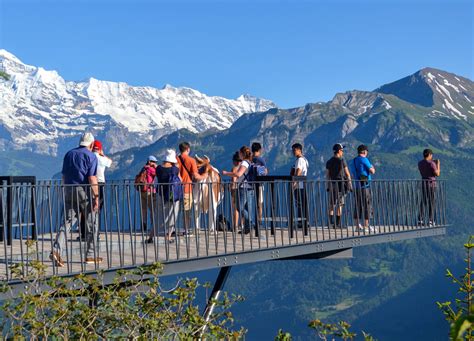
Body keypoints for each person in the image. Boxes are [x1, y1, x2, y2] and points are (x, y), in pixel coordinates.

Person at [50, 132, 101, 267]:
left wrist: (65, 189)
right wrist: (96, 196)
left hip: (68, 188)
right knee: (92, 223)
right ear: (91, 144)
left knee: (67, 222)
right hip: (83, 191)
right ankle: (90, 255)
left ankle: (56, 250)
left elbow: (63, 175)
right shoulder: (91, 156)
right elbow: (92, 178)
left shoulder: (69, 154)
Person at [79, 140, 112, 240]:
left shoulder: (87, 156)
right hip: (100, 184)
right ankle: (94, 233)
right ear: (100, 148)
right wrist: (103, 154)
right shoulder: (101, 159)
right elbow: (110, 162)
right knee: (97, 209)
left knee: (85, 208)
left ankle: (84, 233)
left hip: (87, 183)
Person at [147, 149, 181, 243]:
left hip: (160, 194)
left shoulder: (158, 169)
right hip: (171, 195)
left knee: (158, 215)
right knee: (171, 215)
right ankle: (168, 236)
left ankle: (151, 236)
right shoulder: (175, 169)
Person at [223, 146, 257, 236]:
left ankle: (250, 223)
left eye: (239, 153)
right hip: (250, 187)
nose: (239, 155)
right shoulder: (250, 162)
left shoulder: (244, 163)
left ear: (242, 154)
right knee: (247, 208)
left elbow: (238, 174)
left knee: (239, 207)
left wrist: (226, 173)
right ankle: (247, 228)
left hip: (243, 187)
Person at [177, 142, 208, 235]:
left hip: (175, 189)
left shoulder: (175, 159)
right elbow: (196, 176)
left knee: (174, 210)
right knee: (187, 211)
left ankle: (170, 230)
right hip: (187, 188)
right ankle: (186, 230)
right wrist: (204, 176)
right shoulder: (191, 160)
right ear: (188, 149)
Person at [326, 143, 352, 228]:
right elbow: (347, 174)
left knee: (332, 204)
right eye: (342, 150)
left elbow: (327, 175)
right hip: (341, 185)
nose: (343, 152)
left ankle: (330, 224)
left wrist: (328, 186)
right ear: (339, 151)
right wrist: (350, 185)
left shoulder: (329, 161)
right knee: (340, 204)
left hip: (333, 184)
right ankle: (337, 224)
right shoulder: (342, 160)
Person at [352, 144, 376, 232]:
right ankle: (366, 225)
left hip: (357, 185)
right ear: (365, 151)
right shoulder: (364, 159)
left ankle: (357, 225)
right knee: (367, 205)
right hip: (365, 185)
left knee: (357, 205)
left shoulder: (354, 160)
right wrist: (372, 167)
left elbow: (353, 173)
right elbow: (372, 171)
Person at [418, 149, 440, 226]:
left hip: (424, 184)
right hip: (431, 184)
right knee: (431, 202)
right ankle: (430, 220)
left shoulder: (420, 163)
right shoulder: (432, 163)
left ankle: (420, 219)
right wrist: (438, 164)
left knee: (423, 201)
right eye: (431, 155)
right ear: (429, 154)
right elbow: (437, 174)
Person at [290, 143, 309, 233]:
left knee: (299, 204)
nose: (293, 152)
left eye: (294, 150)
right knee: (302, 204)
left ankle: (301, 222)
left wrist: (294, 183)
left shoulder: (299, 160)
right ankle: (304, 221)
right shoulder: (304, 159)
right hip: (303, 185)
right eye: (293, 150)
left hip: (299, 185)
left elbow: (298, 171)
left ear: (299, 150)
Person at [139, 155, 158, 233]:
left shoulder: (143, 168)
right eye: (153, 162)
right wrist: (156, 167)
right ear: (149, 162)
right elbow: (159, 173)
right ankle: (153, 225)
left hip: (142, 190)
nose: (154, 163)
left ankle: (144, 224)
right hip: (149, 191)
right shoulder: (151, 169)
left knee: (144, 209)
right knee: (152, 209)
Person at [252, 142, 268, 222]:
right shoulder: (261, 160)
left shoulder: (249, 159)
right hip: (259, 184)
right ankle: (259, 221)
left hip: (249, 183)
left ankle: (244, 223)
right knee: (259, 203)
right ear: (259, 150)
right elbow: (265, 172)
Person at [230, 151, 242, 230]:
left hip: (235, 189)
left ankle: (235, 226)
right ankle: (242, 225)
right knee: (242, 208)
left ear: (235, 161)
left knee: (235, 208)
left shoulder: (234, 169)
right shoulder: (243, 168)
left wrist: (231, 188)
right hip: (243, 188)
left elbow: (234, 180)